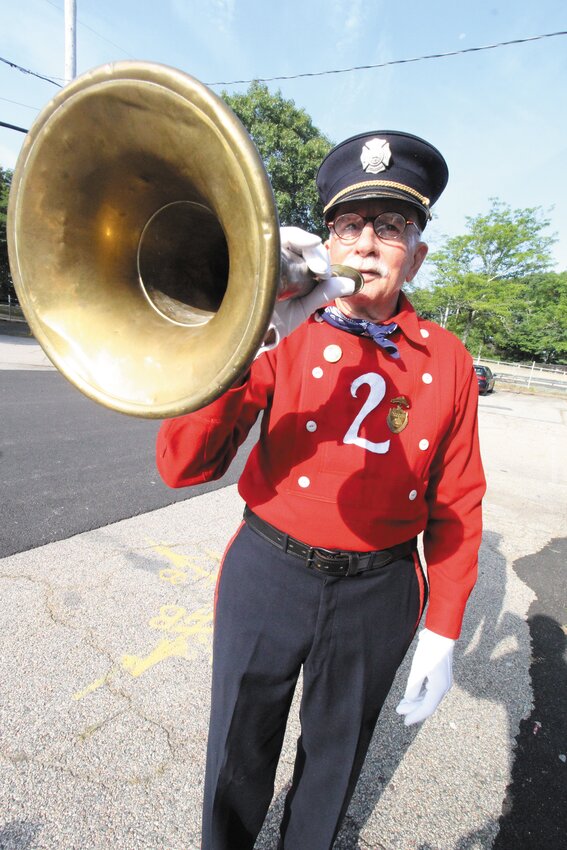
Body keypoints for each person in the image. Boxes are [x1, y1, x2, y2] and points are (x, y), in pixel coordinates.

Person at [156, 130, 486, 850]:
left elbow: (457, 503)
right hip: (268, 572)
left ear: (416, 254)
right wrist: (244, 336)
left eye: (391, 226)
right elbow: (182, 465)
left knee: (335, 760)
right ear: (327, 243)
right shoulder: (280, 330)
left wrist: (442, 626)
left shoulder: (449, 358)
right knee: (236, 753)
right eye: (348, 225)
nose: (366, 243)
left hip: (380, 588)